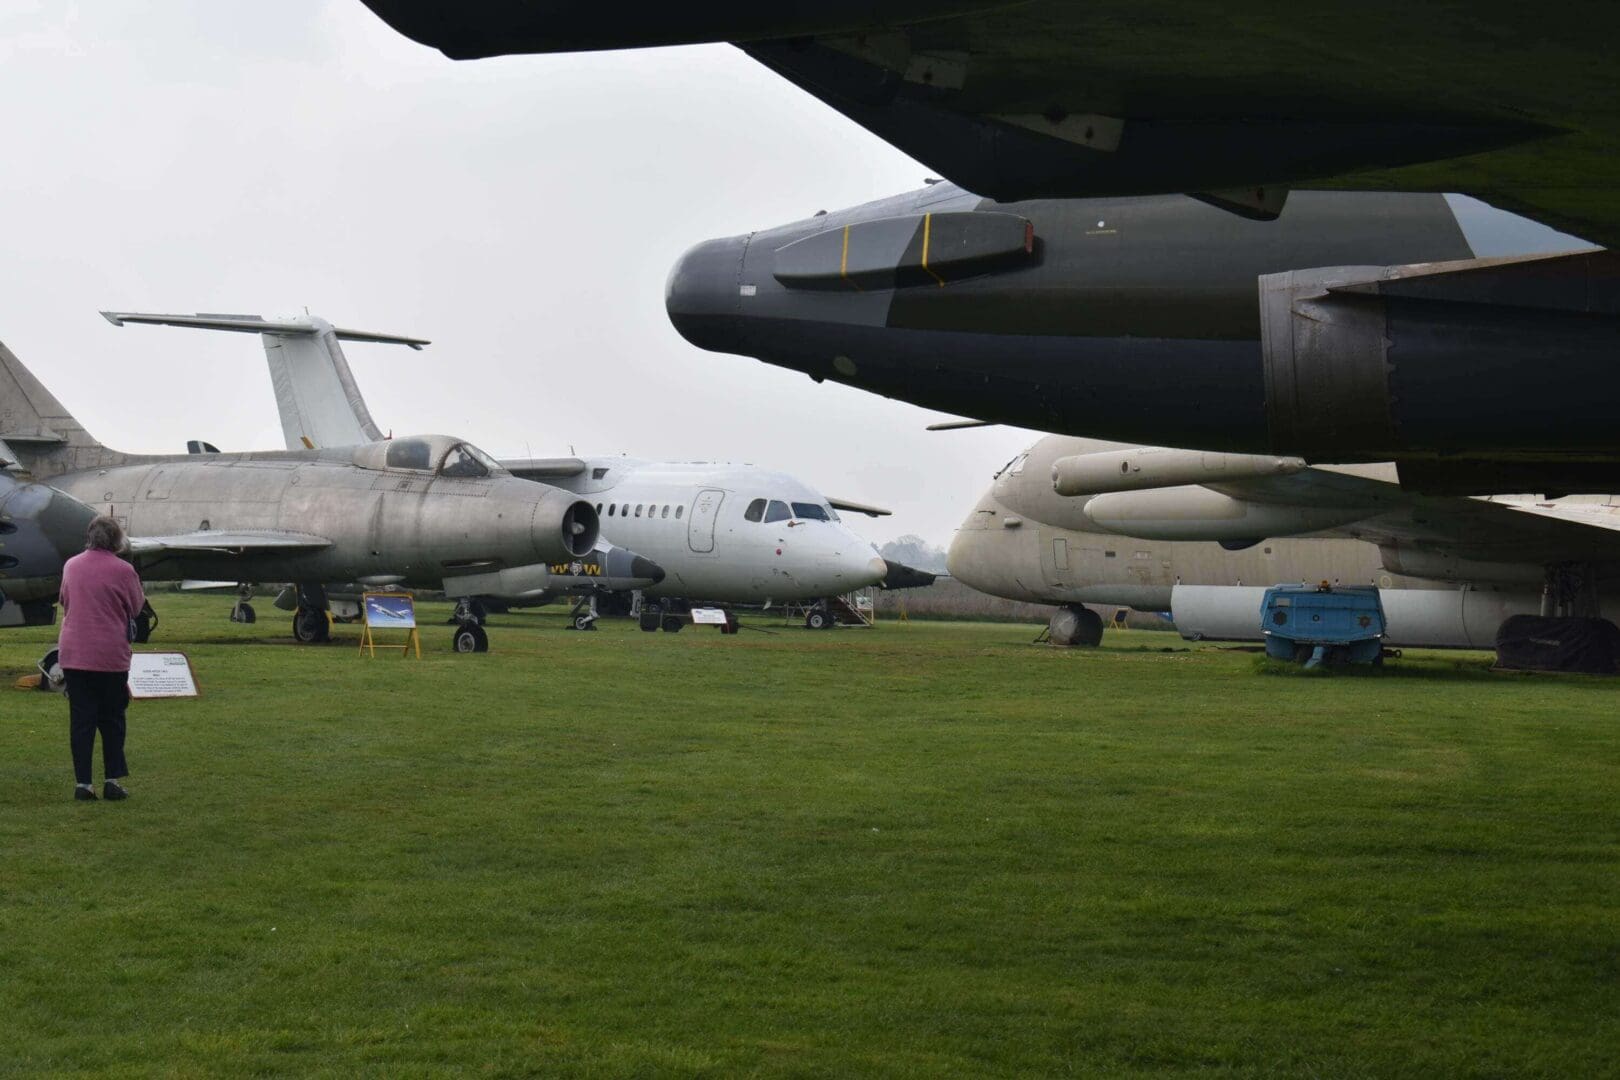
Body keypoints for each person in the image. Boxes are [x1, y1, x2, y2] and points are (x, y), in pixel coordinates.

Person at [57, 515, 146, 801]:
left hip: (74, 653)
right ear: (117, 540)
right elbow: (135, 606)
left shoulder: (71, 565)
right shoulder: (124, 570)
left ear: (90, 536)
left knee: (81, 720)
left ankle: (83, 784)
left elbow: (64, 599)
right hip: (109, 655)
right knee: (112, 719)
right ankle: (112, 780)